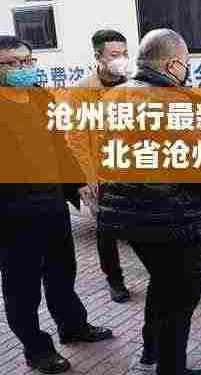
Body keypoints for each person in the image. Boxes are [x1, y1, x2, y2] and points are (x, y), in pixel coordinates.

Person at [96, 28, 201, 374]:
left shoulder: (115, 95)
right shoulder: (177, 103)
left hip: (125, 218)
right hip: (172, 219)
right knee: (180, 300)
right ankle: (172, 368)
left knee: (161, 286)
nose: (187, 70)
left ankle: (151, 356)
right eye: (185, 63)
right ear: (172, 64)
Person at [0, 36, 113, 374]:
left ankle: (73, 325)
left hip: (51, 204)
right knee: (22, 286)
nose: (22, 68)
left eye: (26, 61)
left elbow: (59, 147)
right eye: (11, 63)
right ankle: (36, 348)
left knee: (63, 271)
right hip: (12, 214)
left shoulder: (39, 97)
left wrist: (78, 181)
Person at [69, 29, 131, 303]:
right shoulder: (82, 91)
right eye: (115, 54)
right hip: (102, 174)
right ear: (98, 57)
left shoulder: (133, 85)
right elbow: (76, 138)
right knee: (106, 230)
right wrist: (88, 177)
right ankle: (114, 280)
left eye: (125, 53)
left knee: (140, 225)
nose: (122, 59)